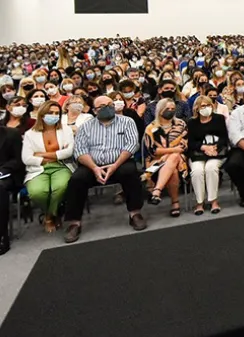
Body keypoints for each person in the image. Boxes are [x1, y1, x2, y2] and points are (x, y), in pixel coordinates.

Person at [63, 95, 146, 243]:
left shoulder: (127, 122)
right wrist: (95, 168)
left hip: (120, 162)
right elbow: (80, 151)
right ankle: (74, 223)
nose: (108, 108)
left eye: (110, 104)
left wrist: (114, 165)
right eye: (102, 106)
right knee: (77, 179)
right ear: (95, 111)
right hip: (92, 165)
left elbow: (133, 144)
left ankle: (135, 213)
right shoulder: (85, 127)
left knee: (130, 172)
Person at [22, 101, 75, 233]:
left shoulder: (66, 129)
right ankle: (52, 212)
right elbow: (26, 158)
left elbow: (69, 152)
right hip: (39, 168)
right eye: (50, 113)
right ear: (42, 114)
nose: (54, 115)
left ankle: (49, 216)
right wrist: (45, 159)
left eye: (57, 113)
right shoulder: (30, 134)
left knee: (60, 187)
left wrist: (42, 154)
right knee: (37, 192)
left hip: (61, 166)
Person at [144, 98, 188, 217]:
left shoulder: (181, 124)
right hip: (156, 163)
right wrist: (172, 150)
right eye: (167, 108)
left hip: (180, 159)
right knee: (172, 168)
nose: (170, 111)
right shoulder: (151, 128)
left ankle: (157, 191)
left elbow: (184, 145)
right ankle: (175, 202)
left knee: (174, 157)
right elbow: (152, 151)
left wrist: (168, 153)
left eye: (173, 109)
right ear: (160, 110)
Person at [187, 95, 229, 215]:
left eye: (208, 105)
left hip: (217, 151)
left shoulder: (219, 118)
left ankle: (213, 201)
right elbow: (191, 142)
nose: (206, 108)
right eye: (203, 106)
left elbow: (224, 137)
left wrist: (214, 147)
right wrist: (203, 147)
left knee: (211, 168)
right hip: (198, 152)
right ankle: (199, 202)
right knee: (197, 171)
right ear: (197, 108)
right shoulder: (192, 122)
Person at [0, 125, 25, 254]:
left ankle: (2, 236)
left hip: (7, 175)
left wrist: (2, 170)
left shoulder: (12, 134)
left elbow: (18, 160)